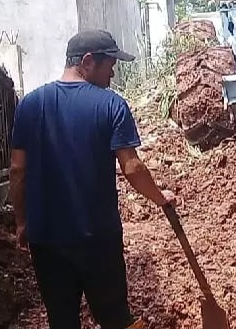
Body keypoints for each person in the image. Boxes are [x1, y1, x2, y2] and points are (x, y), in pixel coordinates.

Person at [9, 29, 176, 329]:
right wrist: (160, 197)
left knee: (62, 319)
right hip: (98, 239)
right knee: (115, 318)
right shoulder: (111, 105)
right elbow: (133, 168)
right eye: (109, 64)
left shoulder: (30, 105)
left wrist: (22, 222)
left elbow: (18, 170)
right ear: (87, 61)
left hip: (45, 238)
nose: (113, 72)